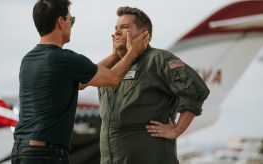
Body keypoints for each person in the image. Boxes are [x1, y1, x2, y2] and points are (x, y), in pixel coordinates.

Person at [11, 0, 149, 163]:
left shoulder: (29, 60)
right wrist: (133, 52)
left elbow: (83, 82)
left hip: (22, 150)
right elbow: (113, 79)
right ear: (61, 21)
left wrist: (114, 56)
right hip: (45, 154)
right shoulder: (65, 59)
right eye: (72, 20)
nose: (72, 25)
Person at [98, 6, 210, 164]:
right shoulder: (110, 70)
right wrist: (116, 55)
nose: (116, 32)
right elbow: (83, 80)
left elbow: (196, 90)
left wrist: (176, 130)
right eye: (116, 28)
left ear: (144, 33)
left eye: (124, 27)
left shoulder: (158, 60)